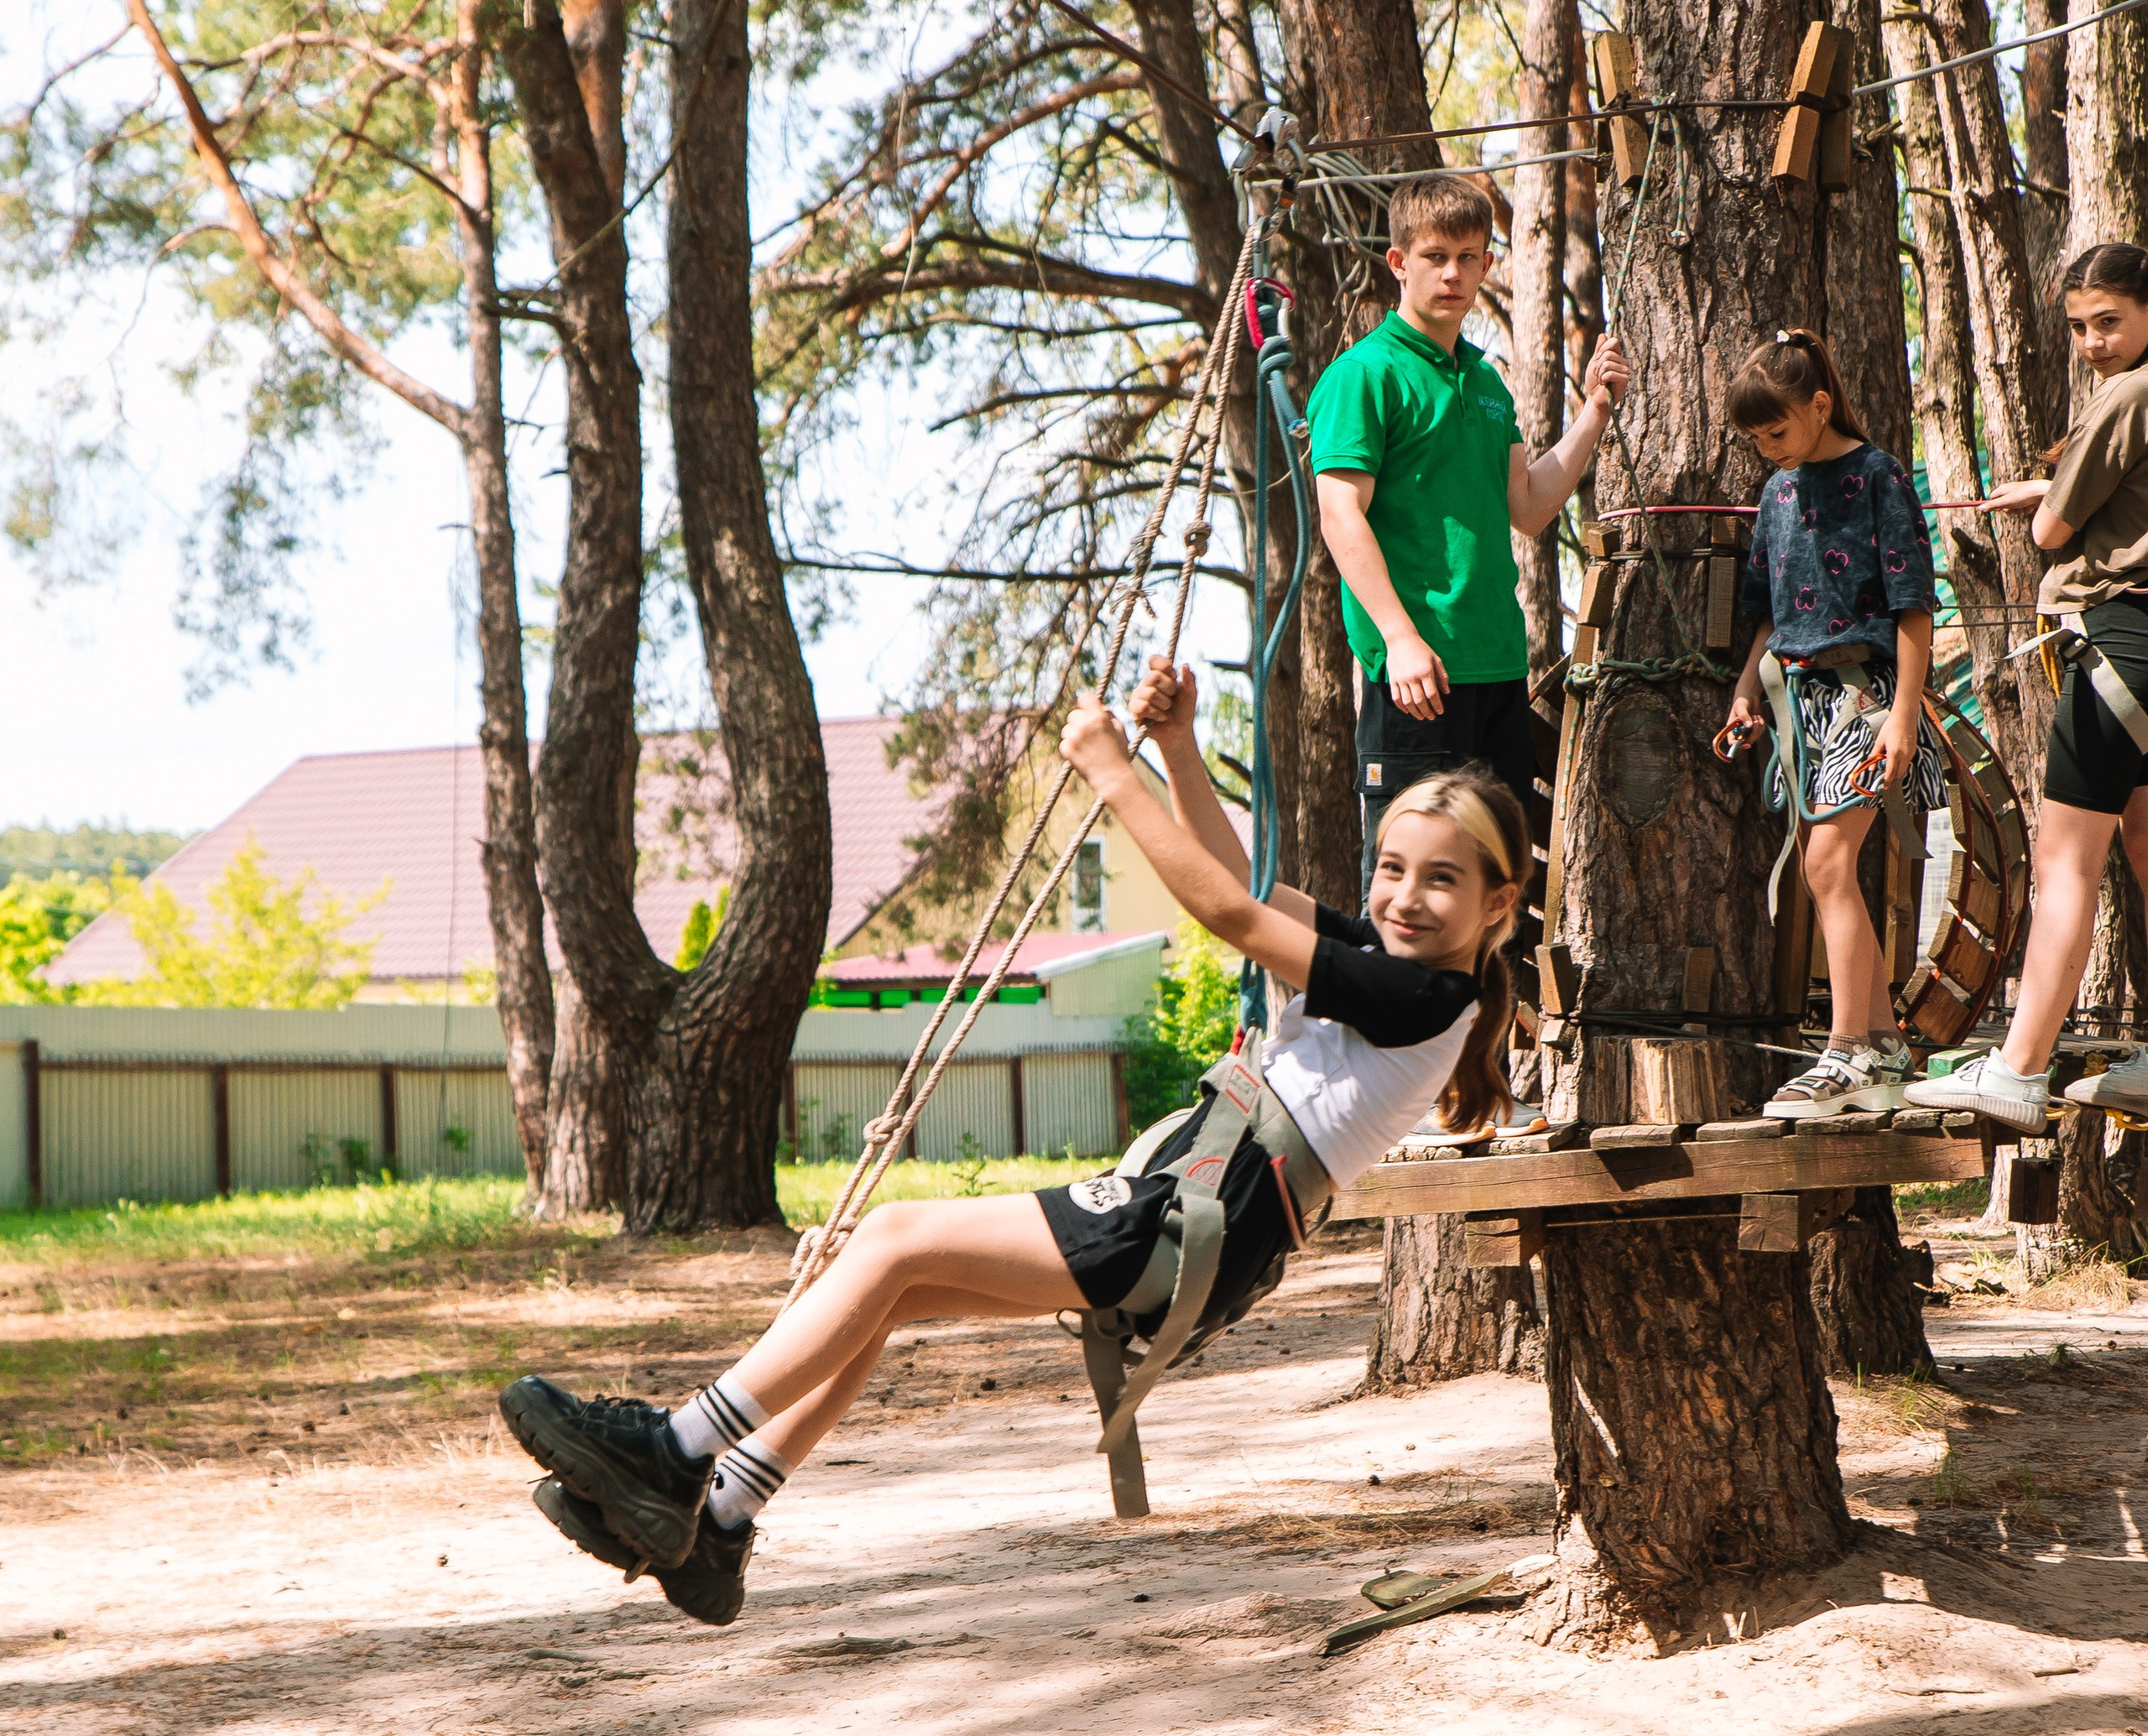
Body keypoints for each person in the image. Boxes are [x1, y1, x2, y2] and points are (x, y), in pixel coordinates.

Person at [498, 662, 1529, 1625]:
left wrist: (1110, 771)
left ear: (1498, 904)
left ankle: (675, 1452)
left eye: (1440, 880)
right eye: (1392, 867)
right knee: (888, 1285)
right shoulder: (1402, 964)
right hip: (1194, 1221)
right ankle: (719, 1522)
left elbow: (1223, 914)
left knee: (895, 1239)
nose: (1402, 895)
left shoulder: (1421, 993)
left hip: (1186, 1226)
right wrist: (1175, 748)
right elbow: (1247, 884)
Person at [1306, 175, 1629, 887]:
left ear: (1488, 265)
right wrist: (1399, 640)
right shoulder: (1364, 376)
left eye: (1470, 256)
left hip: (1498, 671)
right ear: (1399, 263)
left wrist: (1596, 412)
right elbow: (1339, 514)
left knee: (1494, 892)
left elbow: (1530, 505)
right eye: (1435, 256)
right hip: (1417, 677)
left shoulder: (1485, 381)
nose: (1453, 273)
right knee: (1408, 895)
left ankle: (1490, 1006)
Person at [1903, 242, 2148, 1134]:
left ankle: (2019, 1065)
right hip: (2144, 654)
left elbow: (2052, 532)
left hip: (2116, 642)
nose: (2092, 342)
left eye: (2109, 320)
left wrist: (2046, 501)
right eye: (2079, 327)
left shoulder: (2127, 396)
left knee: (2064, 860)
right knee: (2143, 851)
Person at [1719, 326, 1944, 1120]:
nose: (1766, 449)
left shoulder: (1879, 477)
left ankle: (1845, 1053)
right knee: (1826, 868)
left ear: (1819, 406)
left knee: (1825, 866)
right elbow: (1765, 615)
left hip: (1874, 697)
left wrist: (1906, 718)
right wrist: (1747, 692)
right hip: (1799, 704)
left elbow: (1916, 605)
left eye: (1775, 431)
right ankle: (1882, 1050)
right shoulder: (1776, 495)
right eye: (1753, 440)